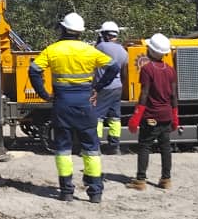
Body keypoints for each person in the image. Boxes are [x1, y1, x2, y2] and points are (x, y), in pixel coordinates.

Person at [29, 13, 120, 203]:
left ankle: (66, 191)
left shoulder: (52, 50)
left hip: (62, 103)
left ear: (63, 29)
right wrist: (98, 87)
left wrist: (44, 95)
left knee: (63, 148)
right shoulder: (89, 51)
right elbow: (113, 67)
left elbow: (34, 70)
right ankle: (95, 193)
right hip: (85, 104)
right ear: (80, 32)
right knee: (91, 148)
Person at [126, 33, 179, 191]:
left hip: (151, 115)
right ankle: (166, 179)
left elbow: (144, 94)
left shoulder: (147, 69)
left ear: (153, 51)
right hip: (166, 114)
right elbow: (174, 96)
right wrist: (175, 116)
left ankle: (141, 180)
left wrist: (136, 116)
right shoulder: (170, 70)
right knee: (165, 148)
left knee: (144, 146)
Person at [95, 20, 129, 155]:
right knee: (115, 117)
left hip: (103, 87)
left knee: (97, 116)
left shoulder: (101, 47)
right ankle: (114, 146)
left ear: (105, 34)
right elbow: (124, 72)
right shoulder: (123, 51)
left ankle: (95, 146)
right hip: (117, 87)